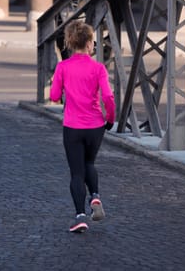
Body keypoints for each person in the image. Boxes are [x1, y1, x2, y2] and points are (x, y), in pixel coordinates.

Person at [50, 20, 115, 233]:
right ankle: (95, 196)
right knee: (89, 163)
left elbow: (53, 96)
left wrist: (61, 92)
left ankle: (80, 217)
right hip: (96, 125)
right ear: (89, 44)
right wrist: (110, 119)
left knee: (76, 172)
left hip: (73, 126)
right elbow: (108, 97)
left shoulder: (63, 67)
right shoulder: (98, 68)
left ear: (69, 43)